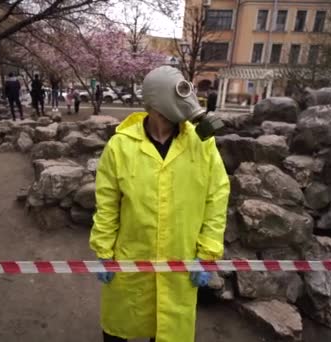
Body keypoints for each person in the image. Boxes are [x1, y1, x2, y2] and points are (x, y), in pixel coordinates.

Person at [89, 66, 230, 342]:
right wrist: (104, 252)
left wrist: (208, 253)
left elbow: (217, 197)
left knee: (169, 331)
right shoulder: (120, 146)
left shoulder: (202, 145)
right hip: (131, 259)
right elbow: (107, 204)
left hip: (181, 259)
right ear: (156, 102)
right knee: (120, 326)